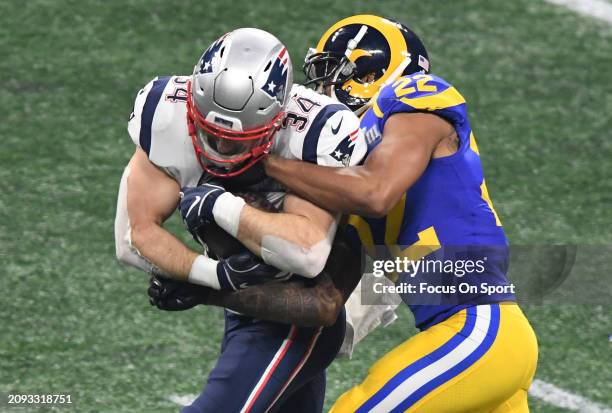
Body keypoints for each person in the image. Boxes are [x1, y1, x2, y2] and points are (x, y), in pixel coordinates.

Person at [255, 15, 538, 412]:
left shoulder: (413, 96)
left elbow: (376, 193)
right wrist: (211, 284)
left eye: (332, 74)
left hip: (477, 330)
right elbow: (326, 306)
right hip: (478, 342)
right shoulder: (349, 182)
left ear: (371, 72)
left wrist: (266, 164)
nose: (321, 90)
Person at [115, 27, 367, 413]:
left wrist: (221, 206)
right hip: (248, 311)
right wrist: (214, 277)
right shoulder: (163, 108)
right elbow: (134, 236)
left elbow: (308, 254)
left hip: (313, 309)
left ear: (279, 121)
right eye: (209, 132)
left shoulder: (315, 133)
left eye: (239, 139)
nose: (222, 149)